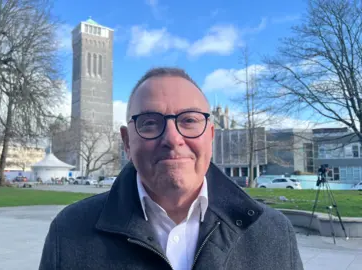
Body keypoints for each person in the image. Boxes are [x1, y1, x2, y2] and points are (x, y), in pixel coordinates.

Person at [39, 67, 304, 270]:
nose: (172, 138)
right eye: (150, 122)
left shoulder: (272, 232)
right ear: (126, 142)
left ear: (211, 136)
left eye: (189, 120)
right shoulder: (70, 231)